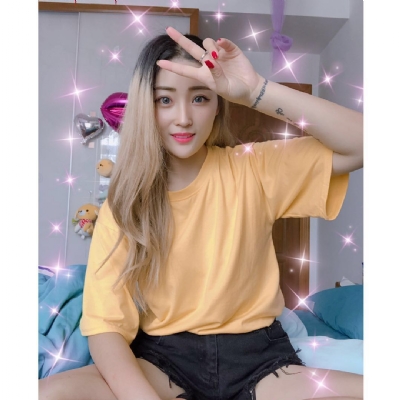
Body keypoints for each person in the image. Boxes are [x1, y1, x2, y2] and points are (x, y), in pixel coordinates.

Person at [39, 26, 363, 400]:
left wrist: (256, 90)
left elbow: (364, 143)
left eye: (199, 98)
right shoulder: (126, 203)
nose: (183, 118)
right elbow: (105, 326)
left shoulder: (255, 167)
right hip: (164, 361)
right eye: (164, 100)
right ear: (146, 107)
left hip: (259, 359)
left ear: (218, 103)